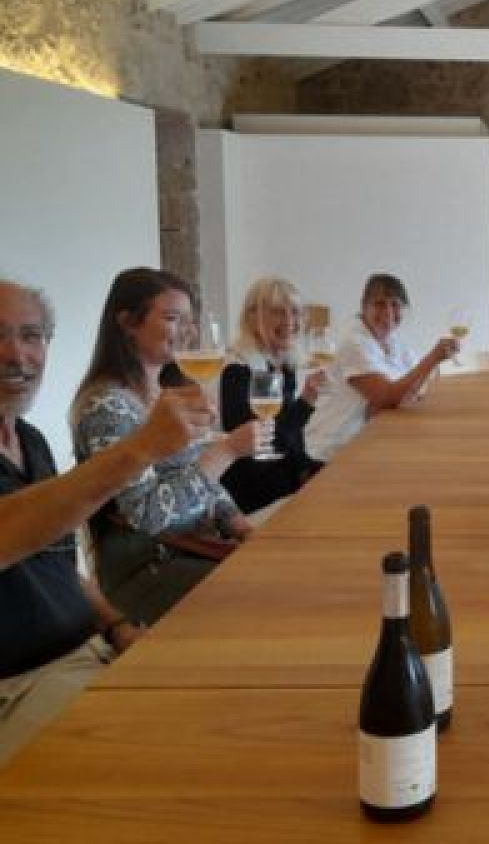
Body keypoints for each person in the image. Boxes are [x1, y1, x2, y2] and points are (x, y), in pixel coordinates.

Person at [0, 279, 212, 765]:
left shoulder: (30, 441)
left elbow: (59, 563)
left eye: (31, 336)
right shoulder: (107, 405)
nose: (16, 354)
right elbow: (8, 535)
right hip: (19, 684)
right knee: (169, 754)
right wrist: (141, 448)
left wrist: (117, 625)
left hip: (88, 648)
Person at [71, 268, 257, 627]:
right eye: (173, 319)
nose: (188, 332)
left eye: (190, 321)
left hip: (194, 548)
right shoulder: (107, 406)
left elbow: (198, 477)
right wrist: (227, 451)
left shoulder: (168, 393)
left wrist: (240, 526)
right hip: (146, 568)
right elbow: (146, 515)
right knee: (258, 595)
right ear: (127, 322)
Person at [305, 273, 459, 461]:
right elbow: (387, 397)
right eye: (379, 304)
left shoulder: (394, 343)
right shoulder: (353, 342)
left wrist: (403, 393)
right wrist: (432, 359)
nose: (388, 312)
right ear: (363, 307)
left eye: (395, 304)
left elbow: (416, 391)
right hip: (334, 452)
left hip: (370, 442)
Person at [219, 277, 324, 516]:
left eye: (296, 312)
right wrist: (306, 402)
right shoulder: (237, 368)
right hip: (250, 493)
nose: (289, 321)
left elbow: (290, 438)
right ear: (252, 317)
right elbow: (257, 445)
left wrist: (306, 469)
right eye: (277, 312)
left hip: (280, 477)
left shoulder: (283, 363)